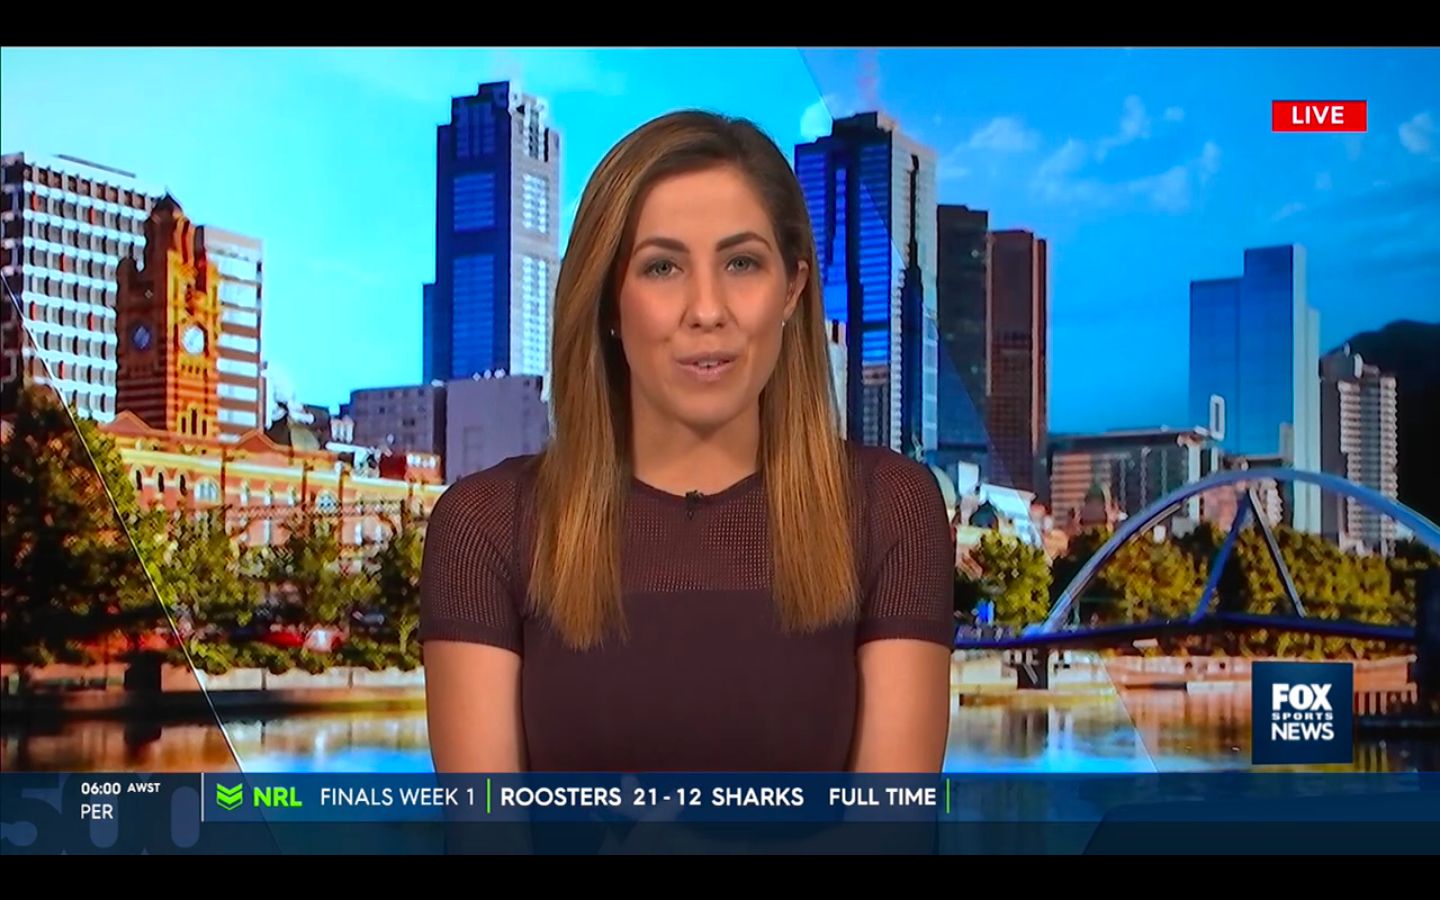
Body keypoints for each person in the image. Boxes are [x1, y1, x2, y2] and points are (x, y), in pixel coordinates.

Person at [419, 110, 955, 773]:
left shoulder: (889, 509)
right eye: (662, 267)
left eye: (741, 263)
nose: (706, 310)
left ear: (792, 288)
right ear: (608, 301)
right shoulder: (486, 526)